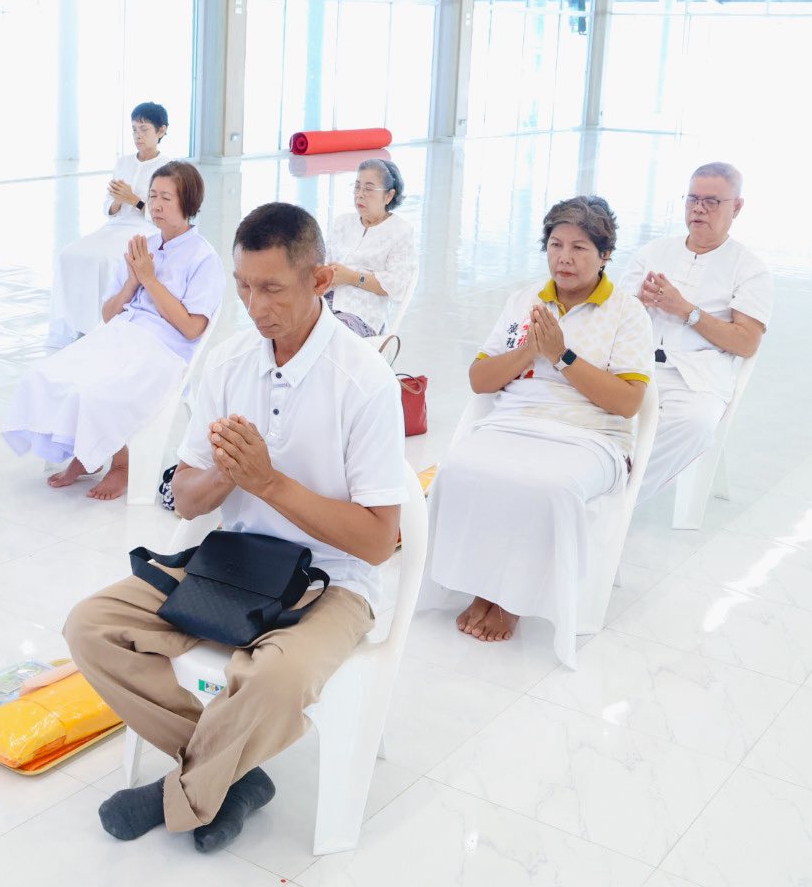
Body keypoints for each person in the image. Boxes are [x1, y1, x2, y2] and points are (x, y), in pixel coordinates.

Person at [63, 202, 408, 852]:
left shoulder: (364, 380)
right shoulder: (228, 364)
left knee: (274, 679)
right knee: (90, 626)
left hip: (335, 579)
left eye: (272, 287)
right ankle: (234, 775)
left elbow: (379, 541)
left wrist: (269, 481)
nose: (255, 305)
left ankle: (188, 793)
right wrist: (229, 473)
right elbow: (188, 502)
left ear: (321, 280)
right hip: (232, 564)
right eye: (244, 285)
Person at [426, 196, 653, 664]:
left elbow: (628, 403)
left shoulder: (628, 312)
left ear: (605, 254)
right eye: (555, 245)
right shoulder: (524, 300)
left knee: (547, 486)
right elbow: (479, 379)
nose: (564, 258)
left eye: (580, 248)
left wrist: (563, 356)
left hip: (592, 435)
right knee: (459, 469)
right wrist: (531, 351)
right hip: (515, 421)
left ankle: (513, 599)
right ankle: (481, 584)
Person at [4, 161, 223, 501]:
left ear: (189, 203)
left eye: (167, 197)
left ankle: (121, 466)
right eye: (152, 196)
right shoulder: (143, 245)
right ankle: (84, 454)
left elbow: (193, 328)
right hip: (120, 335)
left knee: (99, 392)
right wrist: (133, 282)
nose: (156, 205)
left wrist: (149, 278)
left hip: (163, 350)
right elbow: (108, 314)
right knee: (46, 376)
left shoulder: (204, 258)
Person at [618, 162, 770, 501]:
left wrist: (687, 312)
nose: (699, 208)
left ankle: (619, 502)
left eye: (712, 201)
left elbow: (747, 342)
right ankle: (593, 481)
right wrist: (638, 304)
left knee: (695, 425)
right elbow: (615, 315)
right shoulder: (652, 253)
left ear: (738, 207)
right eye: (693, 199)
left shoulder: (749, 268)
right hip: (637, 364)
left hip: (697, 376)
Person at [47, 102, 172, 345]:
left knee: (106, 260)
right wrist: (116, 201)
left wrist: (134, 200)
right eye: (134, 129)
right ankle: (75, 323)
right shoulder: (124, 162)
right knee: (69, 254)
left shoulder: (168, 167)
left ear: (161, 131)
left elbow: (164, 213)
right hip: (116, 226)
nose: (138, 136)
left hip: (145, 229)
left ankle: (105, 323)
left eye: (144, 130)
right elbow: (110, 208)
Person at [325, 157, 417, 338]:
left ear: (389, 196)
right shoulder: (342, 223)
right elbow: (323, 262)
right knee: (291, 326)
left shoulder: (401, 232)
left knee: (330, 337)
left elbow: (396, 286)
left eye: (368, 189)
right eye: (357, 187)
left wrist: (351, 277)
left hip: (362, 314)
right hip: (324, 302)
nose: (360, 194)